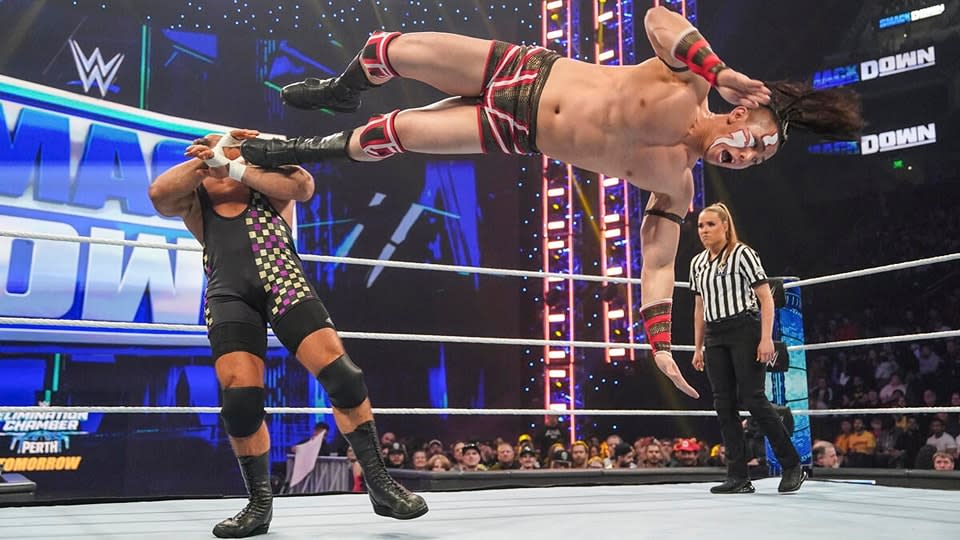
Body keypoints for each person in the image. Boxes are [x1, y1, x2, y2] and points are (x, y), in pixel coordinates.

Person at [239, 7, 862, 399]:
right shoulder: (691, 81)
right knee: (386, 49)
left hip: (520, 132)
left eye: (757, 161)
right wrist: (719, 68)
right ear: (741, 112)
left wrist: (660, 342)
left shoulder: (678, 184)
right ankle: (342, 89)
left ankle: (291, 148)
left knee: (392, 136)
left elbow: (659, 261)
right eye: (752, 144)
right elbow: (658, 21)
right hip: (526, 71)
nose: (746, 158)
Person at [148, 130, 428, 538]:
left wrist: (237, 162)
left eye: (229, 142)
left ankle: (381, 485)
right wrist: (206, 161)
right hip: (228, 292)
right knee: (240, 401)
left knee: (344, 377)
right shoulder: (196, 195)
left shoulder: (267, 178)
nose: (223, 148)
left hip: (283, 282)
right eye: (214, 144)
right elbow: (158, 194)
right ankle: (259, 505)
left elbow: (304, 186)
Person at [689, 202, 804, 494]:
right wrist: (697, 347)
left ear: (725, 226)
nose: (704, 230)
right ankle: (738, 476)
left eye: (710, 224)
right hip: (715, 334)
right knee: (723, 404)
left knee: (754, 398)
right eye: (701, 225)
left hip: (744, 328)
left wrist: (766, 338)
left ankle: (792, 465)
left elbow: (766, 298)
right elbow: (699, 306)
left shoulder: (743, 254)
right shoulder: (697, 263)